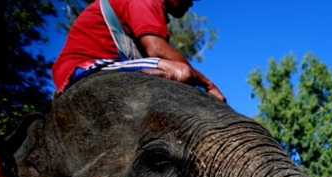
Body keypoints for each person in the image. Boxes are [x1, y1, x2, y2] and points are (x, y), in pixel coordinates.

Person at [52, 0, 225, 102]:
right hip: (87, 69)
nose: (191, 2)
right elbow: (157, 50)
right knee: (180, 72)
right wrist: (208, 85)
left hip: (96, 68)